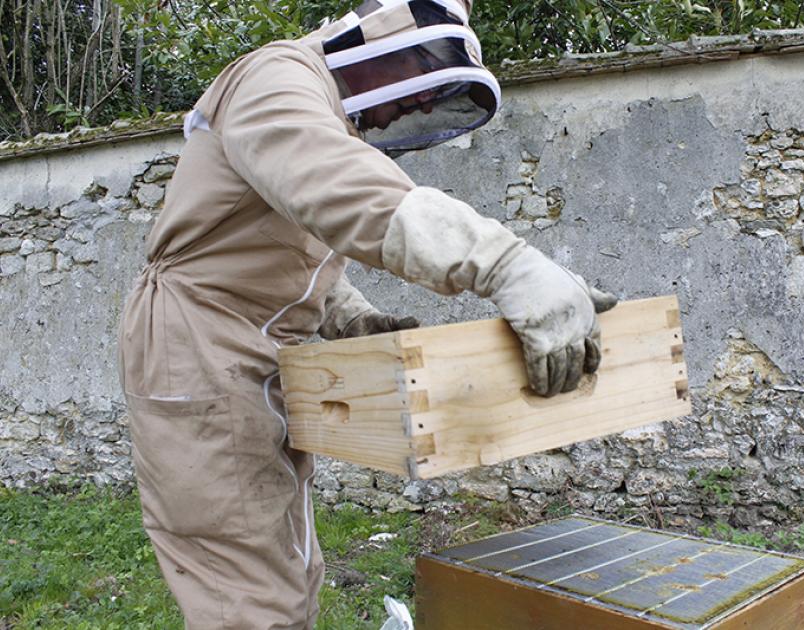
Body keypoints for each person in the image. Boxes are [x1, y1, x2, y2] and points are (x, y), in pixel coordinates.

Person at [117, 0, 617, 627]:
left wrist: (351, 318)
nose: (409, 106)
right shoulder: (277, 77)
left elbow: (270, 250)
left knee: (283, 551)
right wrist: (506, 264)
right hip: (201, 344)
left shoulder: (319, 107)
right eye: (419, 71)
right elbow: (339, 190)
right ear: (385, 37)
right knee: (244, 581)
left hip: (240, 344)